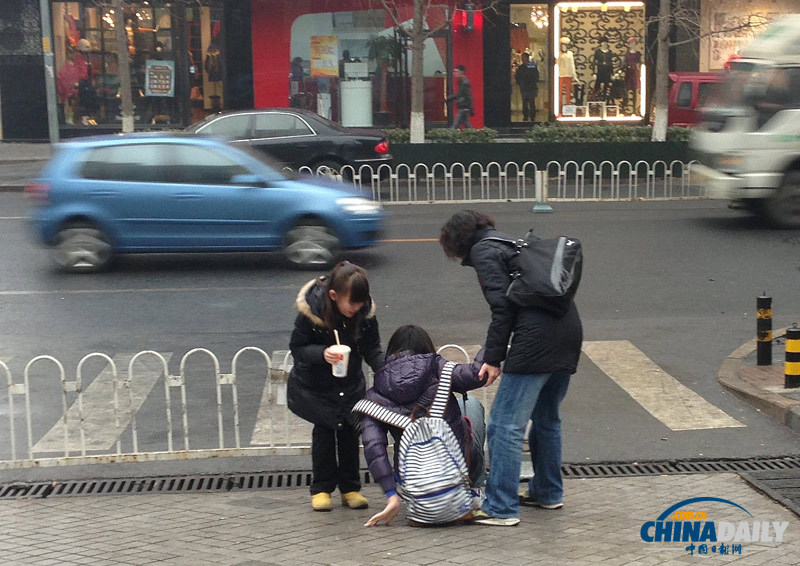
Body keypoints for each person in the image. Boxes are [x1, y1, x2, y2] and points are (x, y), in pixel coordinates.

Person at [439, 210, 583, 527]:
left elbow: (502, 308)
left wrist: (492, 358)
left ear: (457, 241)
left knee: (504, 424)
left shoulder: (484, 251)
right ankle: (547, 492)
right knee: (546, 418)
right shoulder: (508, 243)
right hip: (568, 332)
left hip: (536, 341)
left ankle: (500, 507)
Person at [358, 325, 488, 527]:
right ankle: (474, 490)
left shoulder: (375, 395)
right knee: (471, 405)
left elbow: (374, 449)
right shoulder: (439, 368)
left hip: (415, 479)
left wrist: (391, 495)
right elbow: (476, 374)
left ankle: (421, 502)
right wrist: (494, 341)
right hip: (456, 470)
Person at [287, 261, 384, 512]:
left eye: (361, 302)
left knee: (350, 433)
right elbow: (298, 348)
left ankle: (350, 488)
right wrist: (322, 353)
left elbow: (372, 348)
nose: (356, 308)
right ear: (333, 295)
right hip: (318, 385)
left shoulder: (364, 314)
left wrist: (386, 369)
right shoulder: (312, 312)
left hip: (350, 382)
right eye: (352, 302)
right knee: (324, 434)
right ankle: (321, 488)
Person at [445, 65, 474, 129]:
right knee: (466, 123)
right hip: (464, 106)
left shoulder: (464, 82)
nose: (454, 73)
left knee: (455, 125)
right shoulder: (462, 81)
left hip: (463, 107)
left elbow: (466, 95)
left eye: (456, 71)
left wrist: (449, 98)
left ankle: (448, 134)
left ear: (462, 72)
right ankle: (475, 134)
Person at [515, 52, 540, 122]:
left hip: (531, 87)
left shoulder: (531, 65)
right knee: (525, 102)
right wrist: (520, 82)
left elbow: (535, 75)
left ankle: (532, 116)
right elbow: (517, 76)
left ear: (527, 58)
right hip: (524, 87)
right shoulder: (521, 67)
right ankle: (525, 116)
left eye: (523, 57)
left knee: (531, 102)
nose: (522, 59)